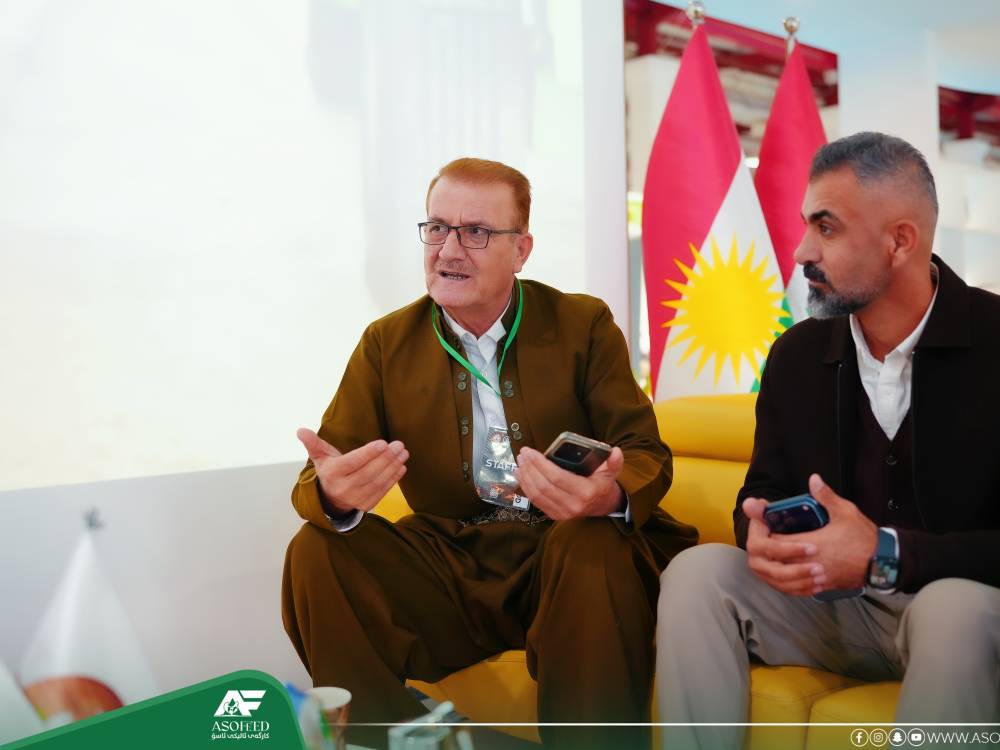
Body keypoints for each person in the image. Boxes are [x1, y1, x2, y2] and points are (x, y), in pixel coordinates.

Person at [282, 157, 697, 750]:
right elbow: (320, 472)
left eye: (475, 232)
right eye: (437, 228)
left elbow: (643, 450)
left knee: (591, 542)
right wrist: (332, 493)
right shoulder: (386, 342)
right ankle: (396, 739)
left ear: (521, 250)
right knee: (316, 550)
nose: (449, 250)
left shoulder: (581, 323)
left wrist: (605, 493)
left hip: (565, 553)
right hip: (458, 559)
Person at [655, 132, 1000, 749]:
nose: (801, 251)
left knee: (953, 610)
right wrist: (760, 537)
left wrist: (886, 553)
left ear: (900, 241)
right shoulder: (796, 355)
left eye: (827, 227)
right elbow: (762, 491)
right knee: (699, 572)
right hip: (837, 609)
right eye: (806, 225)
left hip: (966, 617)